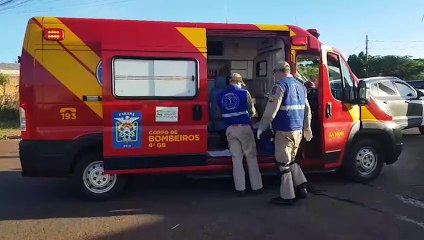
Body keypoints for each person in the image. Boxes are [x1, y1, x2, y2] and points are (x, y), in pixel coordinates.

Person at [257, 61, 312, 205]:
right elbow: (307, 110)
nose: (275, 76)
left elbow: (271, 110)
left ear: (279, 71)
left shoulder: (280, 86)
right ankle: (301, 187)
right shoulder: (301, 85)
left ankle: (287, 196)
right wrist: (307, 128)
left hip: (284, 130)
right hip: (297, 130)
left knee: (283, 163)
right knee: (291, 160)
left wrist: (262, 127)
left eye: (275, 73)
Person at [216, 73, 263, 196]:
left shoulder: (219, 95)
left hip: (230, 129)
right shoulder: (244, 93)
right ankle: (256, 187)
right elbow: (251, 110)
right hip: (244, 128)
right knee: (251, 158)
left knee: (236, 159)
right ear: (239, 82)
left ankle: (240, 189)